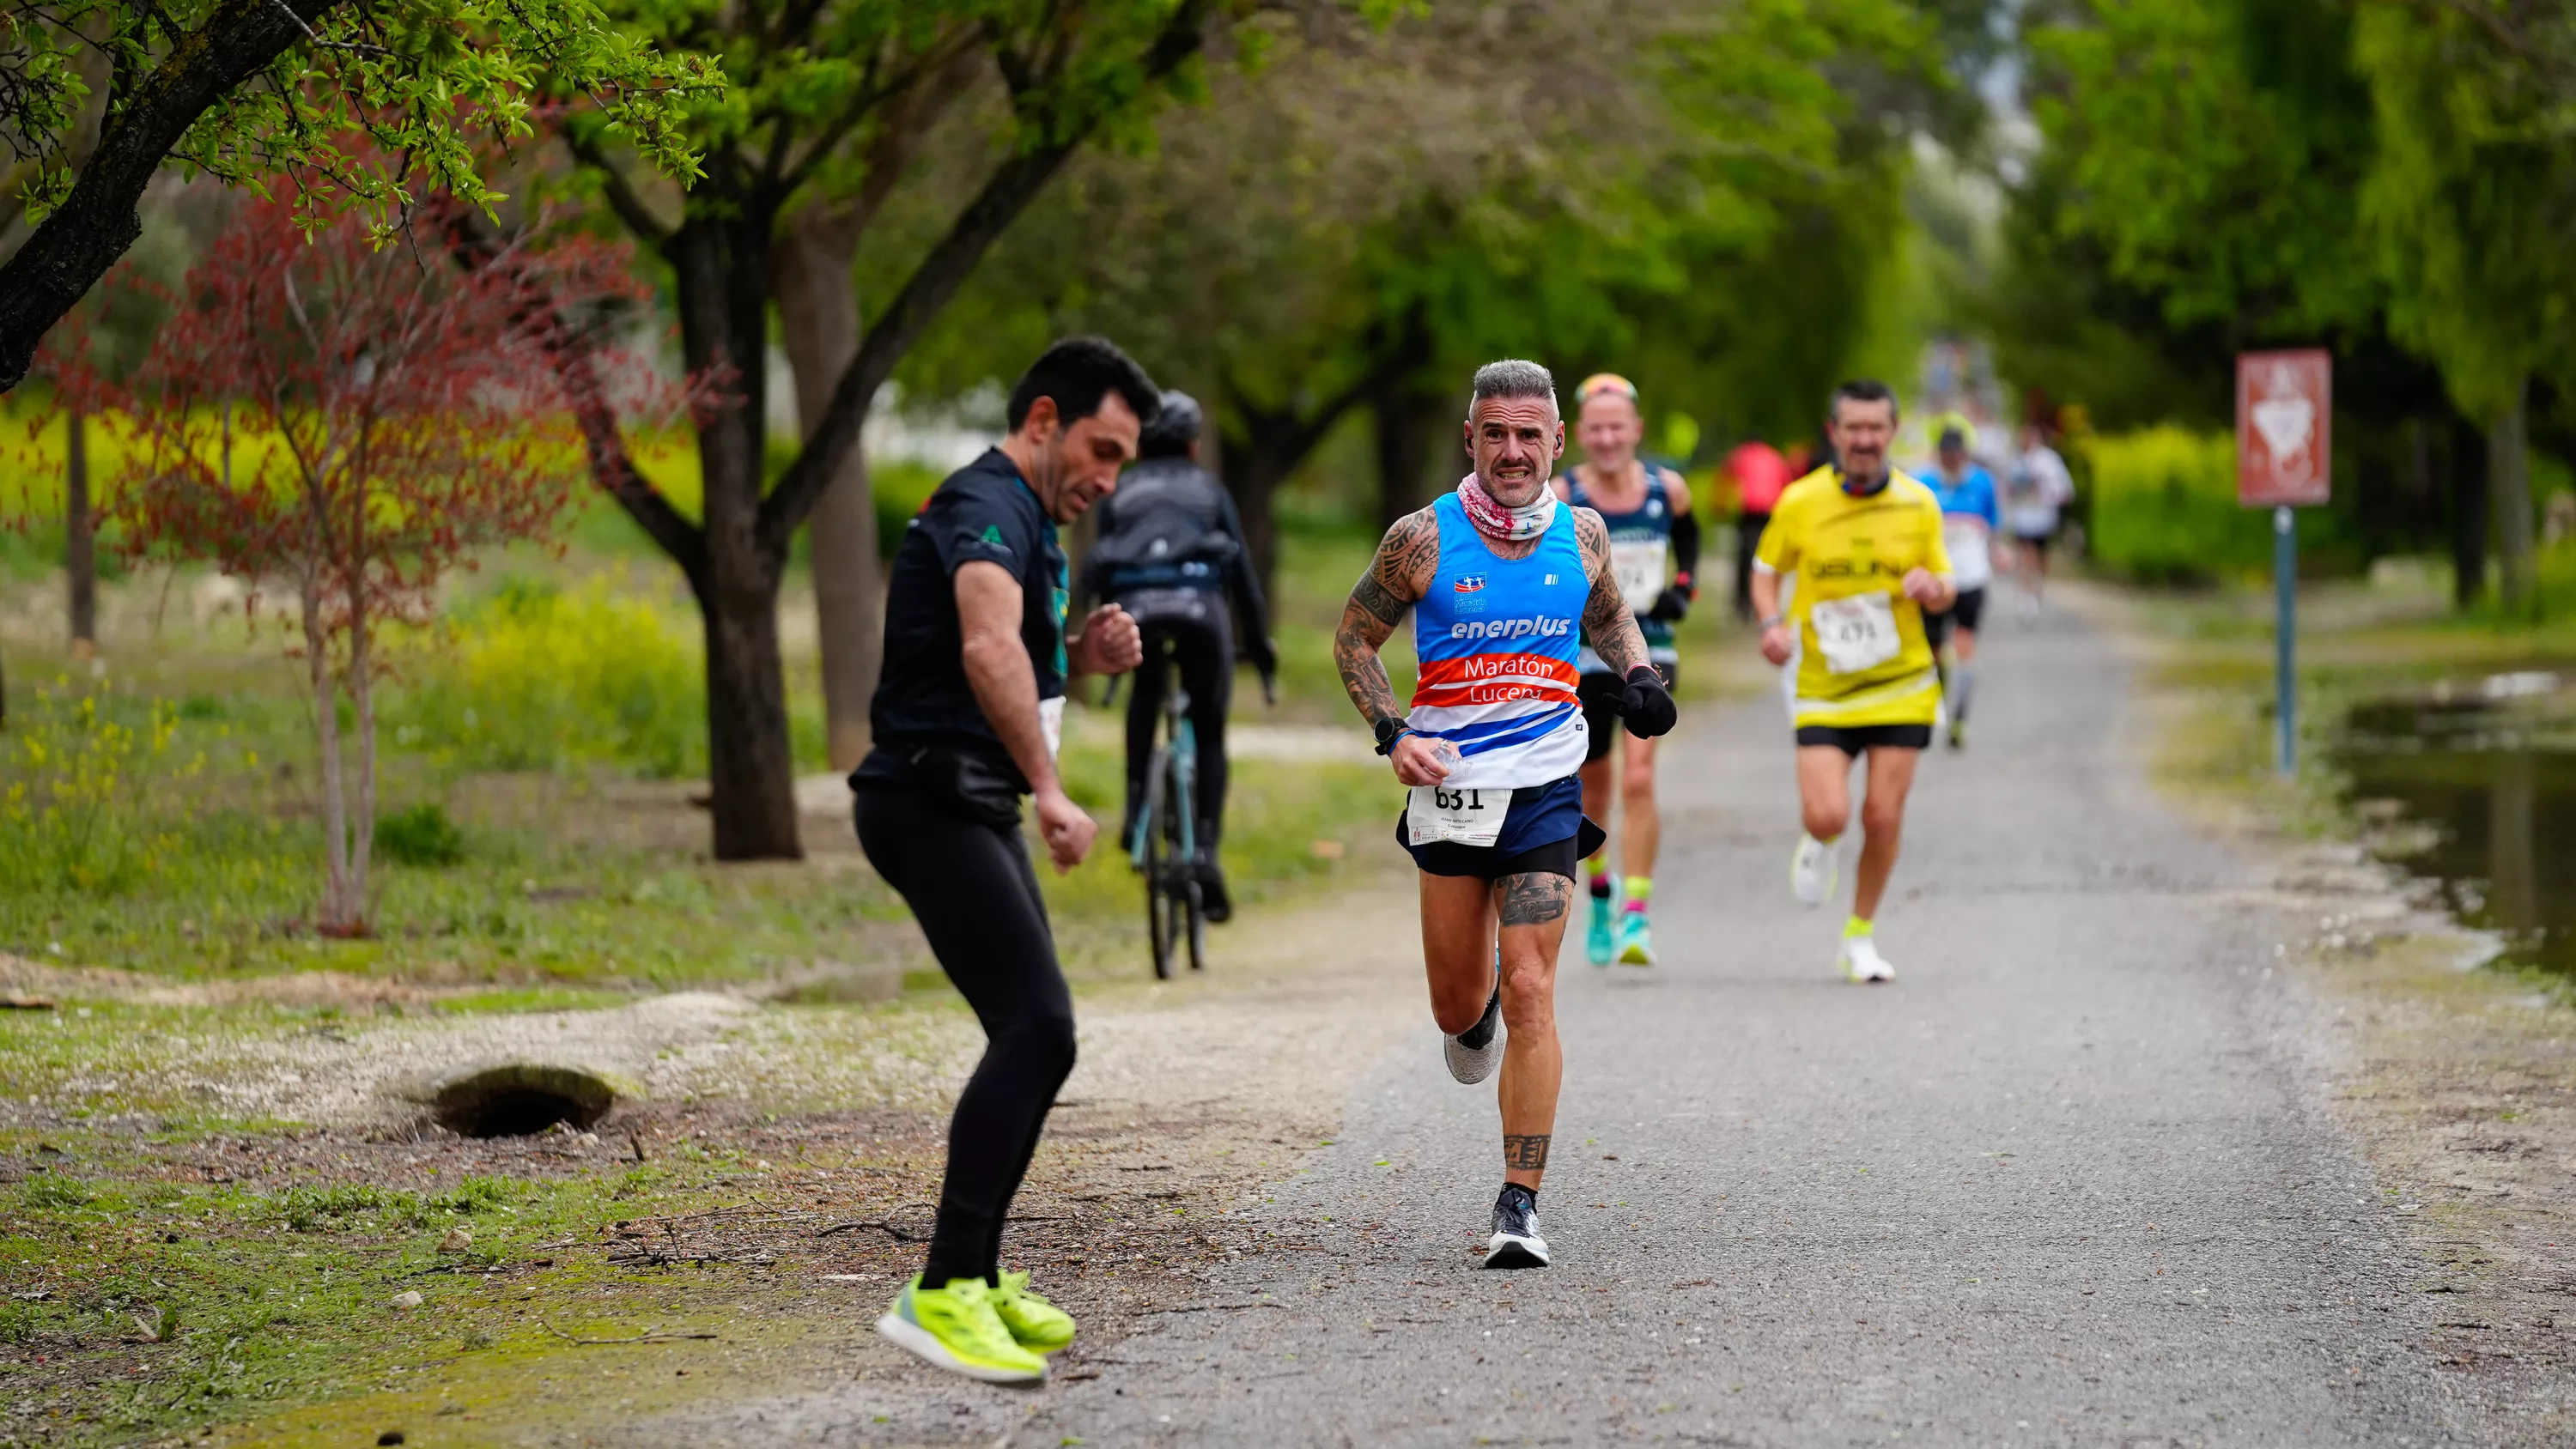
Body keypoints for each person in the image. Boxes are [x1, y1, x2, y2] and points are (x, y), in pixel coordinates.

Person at [853, 336, 1158, 1382]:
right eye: (1102, 449)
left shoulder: (1025, 518)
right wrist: (1051, 788)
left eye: (1124, 462)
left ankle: (974, 1277)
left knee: (1037, 1035)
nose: (1109, 478)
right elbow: (986, 645)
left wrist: (1085, 650)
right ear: (1042, 420)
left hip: (962, 795)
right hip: (928, 796)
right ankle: (939, 1290)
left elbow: (1009, 648)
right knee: (1039, 1025)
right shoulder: (984, 501)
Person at [1334, 360, 1674, 1269]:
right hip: (1447, 782)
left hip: (1547, 781)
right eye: (1497, 434)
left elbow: (1609, 615)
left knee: (1531, 985)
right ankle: (1469, 1015)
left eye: (1531, 434)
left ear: (1557, 441)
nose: (1515, 450)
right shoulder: (1422, 540)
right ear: (1472, 439)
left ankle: (1519, 1201)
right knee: (1461, 1004)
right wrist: (1390, 730)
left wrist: (1637, 675)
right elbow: (1353, 637)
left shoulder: (1586, 533)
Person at [1747, 379, 1954, 984]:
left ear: (1892, 433)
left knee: (1883, 815)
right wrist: (1770, 623)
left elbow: (1946, 583)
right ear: (1834, 432)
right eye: (1853, 428)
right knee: (1828, 814)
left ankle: (1859, 935)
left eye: (1876, 428)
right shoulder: (1801, 501)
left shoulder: (1919, 504)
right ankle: (1820, 841)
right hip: (1824, 684)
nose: (1865, 439)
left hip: (1902, 681)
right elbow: (1765, 573)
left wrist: (1932, 588)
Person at [1082, 389, 1278, 922]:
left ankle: (1133, 813)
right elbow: (1242, 581)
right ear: (1194, 447)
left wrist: (1099, 643)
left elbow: (1100, 573)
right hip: (1200, 613)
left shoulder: (1119, 492)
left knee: (1146, 692)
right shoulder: (1210, 491)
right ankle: (1205, 852)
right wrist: (1259, 647)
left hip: (1137, 611)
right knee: (1209, 730)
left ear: (1141, 447)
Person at [1551, 373, 1696, 967]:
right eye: (1597, 429)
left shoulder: (1669, 490)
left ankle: (1638, 914)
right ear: (1578, 435)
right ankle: (1602, 894)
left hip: (1649, 647)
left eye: (1619, 427)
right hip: (1584, 655)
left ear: (1636, 430)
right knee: (1594, 789)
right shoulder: (1562, 495)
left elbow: (1688, 542)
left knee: (1639, 780)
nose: (1608, 439)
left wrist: (1683, 588)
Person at [1923, 418, 2000, 750]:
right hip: (1936, 581)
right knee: (1934, 650)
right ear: (1939, 454)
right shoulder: (1923, 484)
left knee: (1965, 643)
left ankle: (1960, 716)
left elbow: (1991, 525)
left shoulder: (1982, 484)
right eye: (1947, 454)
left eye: (1957, 454)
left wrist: (1997, 553)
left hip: (1971, 577)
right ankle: (1938, 703)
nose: (1952, 460)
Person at [2006, 422, 2076, 613]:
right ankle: (2027, 591)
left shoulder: (2048, 460)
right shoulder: (2018, 460)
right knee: (2027, 551)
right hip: (2024, 516)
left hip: (2043, 516)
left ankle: (2036, 585)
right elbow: (2009, 488)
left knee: (2041, 554)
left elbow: (2063, 488)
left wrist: (2051, 495)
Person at [1726, 439, 1793, 623]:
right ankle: (1763, 603)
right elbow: (1786, 484)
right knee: (1767, 556)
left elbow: (1727, 480)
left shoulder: (1741, 454)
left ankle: (1744, 602)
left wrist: (1722, 507)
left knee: (1745, 557)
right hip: (1770, 510)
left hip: (1749, 511)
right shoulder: (1774, 456)